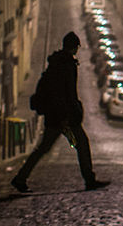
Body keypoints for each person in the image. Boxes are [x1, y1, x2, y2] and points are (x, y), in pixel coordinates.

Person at [11, 31, 111, 192]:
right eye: (77, 47)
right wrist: (69, 114)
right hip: (64, 118)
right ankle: (89, 179)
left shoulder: (57, 63)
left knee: (47, 148)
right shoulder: (66, 65)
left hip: (57, 115)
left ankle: (20, 178)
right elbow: (65, 93)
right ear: (74, 47)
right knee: (80, 144)